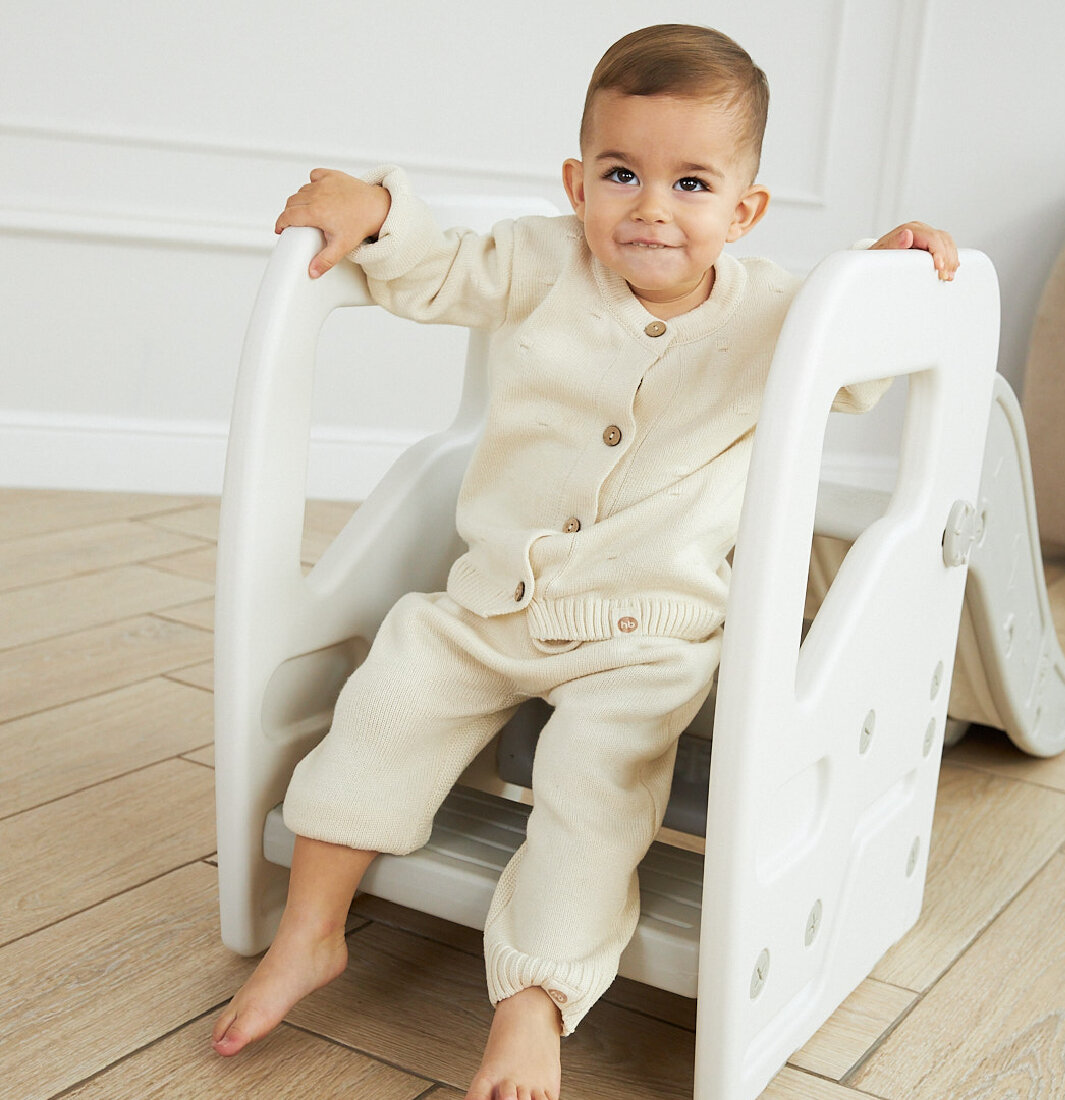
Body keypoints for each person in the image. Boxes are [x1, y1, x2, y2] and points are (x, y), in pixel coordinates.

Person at [212, 23, 958, 1100]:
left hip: (648, 637)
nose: (650, 207)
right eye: (620, 174)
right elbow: (436, 268)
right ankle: (310, 931)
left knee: (592, 796)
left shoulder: (777, 313)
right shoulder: (540, 259)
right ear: (576, 184)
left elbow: (860, 357)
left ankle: (533, 1002)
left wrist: (887, 273)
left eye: (691, 183)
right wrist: (375, 210)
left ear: (744, 210)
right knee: (385, 701)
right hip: (491, 603)